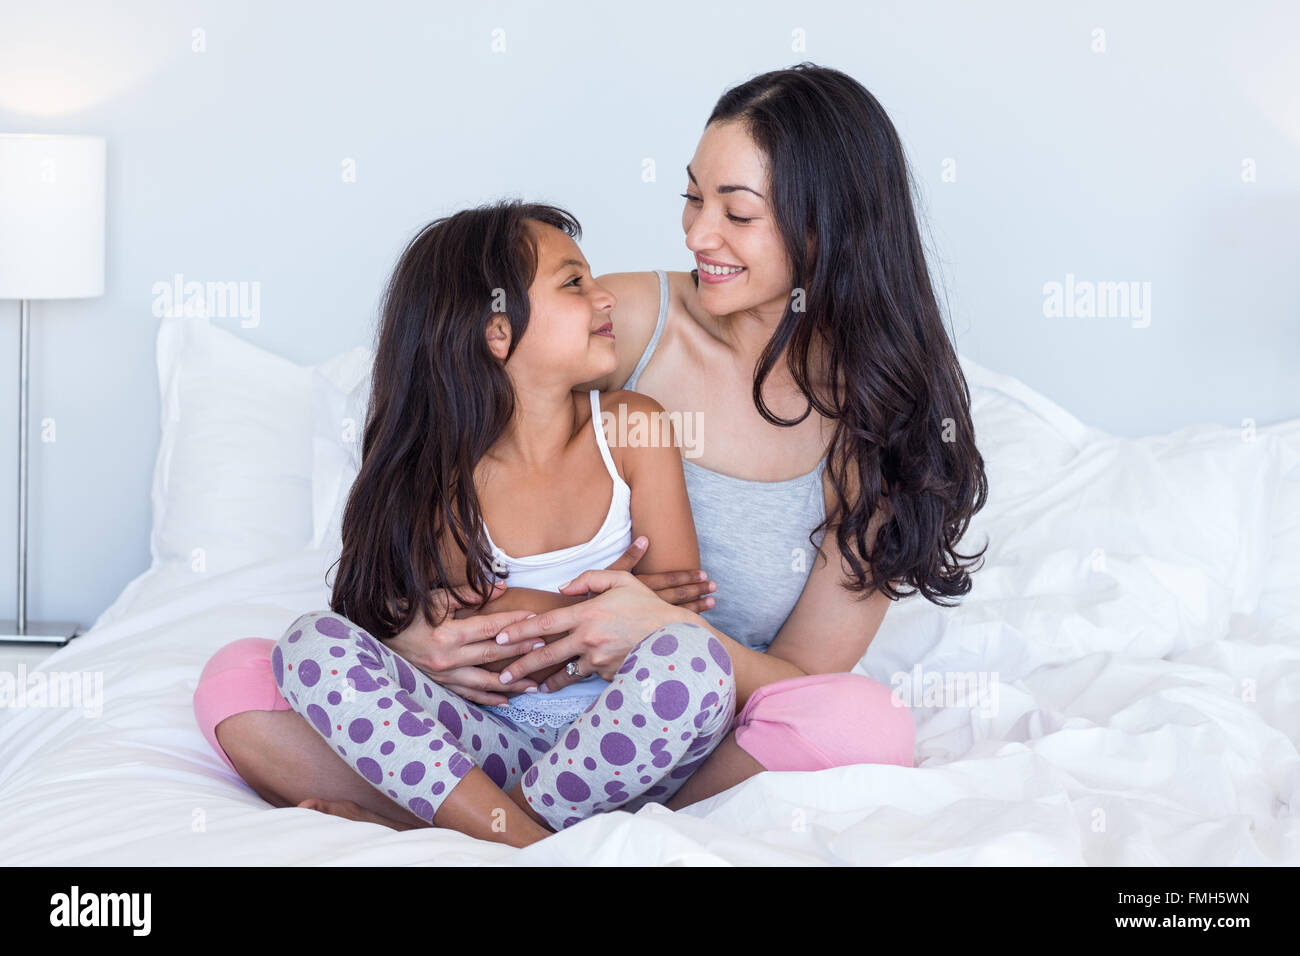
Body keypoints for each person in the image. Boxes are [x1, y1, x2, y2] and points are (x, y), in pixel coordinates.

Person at [193, 62, 988, 847]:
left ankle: (465, 819)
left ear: (827, 228)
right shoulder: (630, 321)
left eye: (736, 213)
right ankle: (537, 832)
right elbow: (470, 389)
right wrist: (416, 639)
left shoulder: (885, 436)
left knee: (859, 722)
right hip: (495, 710)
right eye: (691, 196)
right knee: (241, 678)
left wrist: (656, 626)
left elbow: (801, 678)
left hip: (680, 726)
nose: (695, 233)